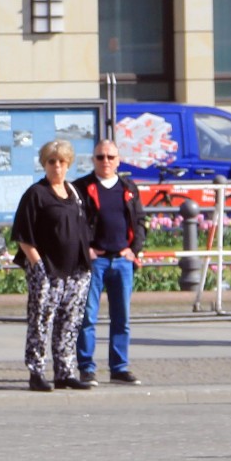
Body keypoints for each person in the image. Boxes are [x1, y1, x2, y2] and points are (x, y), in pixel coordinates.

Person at [11, 139, 94, 392]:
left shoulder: (74, 193)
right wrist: (37, 265)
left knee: (70, 322)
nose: (56, 166)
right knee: (41, 321)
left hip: (76, 271)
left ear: (68, 164)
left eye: (61, 162)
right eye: (51, 161)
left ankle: (65, 371)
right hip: (48, 270)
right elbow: (23, 235)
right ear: (44, 164)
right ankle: (36, 371)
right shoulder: (36, 194)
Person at [73, 140, 144, 385]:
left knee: (121, 318)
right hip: (95, 262)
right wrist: (86, 250)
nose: (106, 161)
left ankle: (119, 367)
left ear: (118, 160)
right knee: (87, 317)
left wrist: (133, 250)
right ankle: (86, 367)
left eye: (110, 157)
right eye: (100, 157)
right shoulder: (82, 187)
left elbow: (140, 221)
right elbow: (75, 224)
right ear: (93, 159)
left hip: (122, 262)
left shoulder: (128, 187)